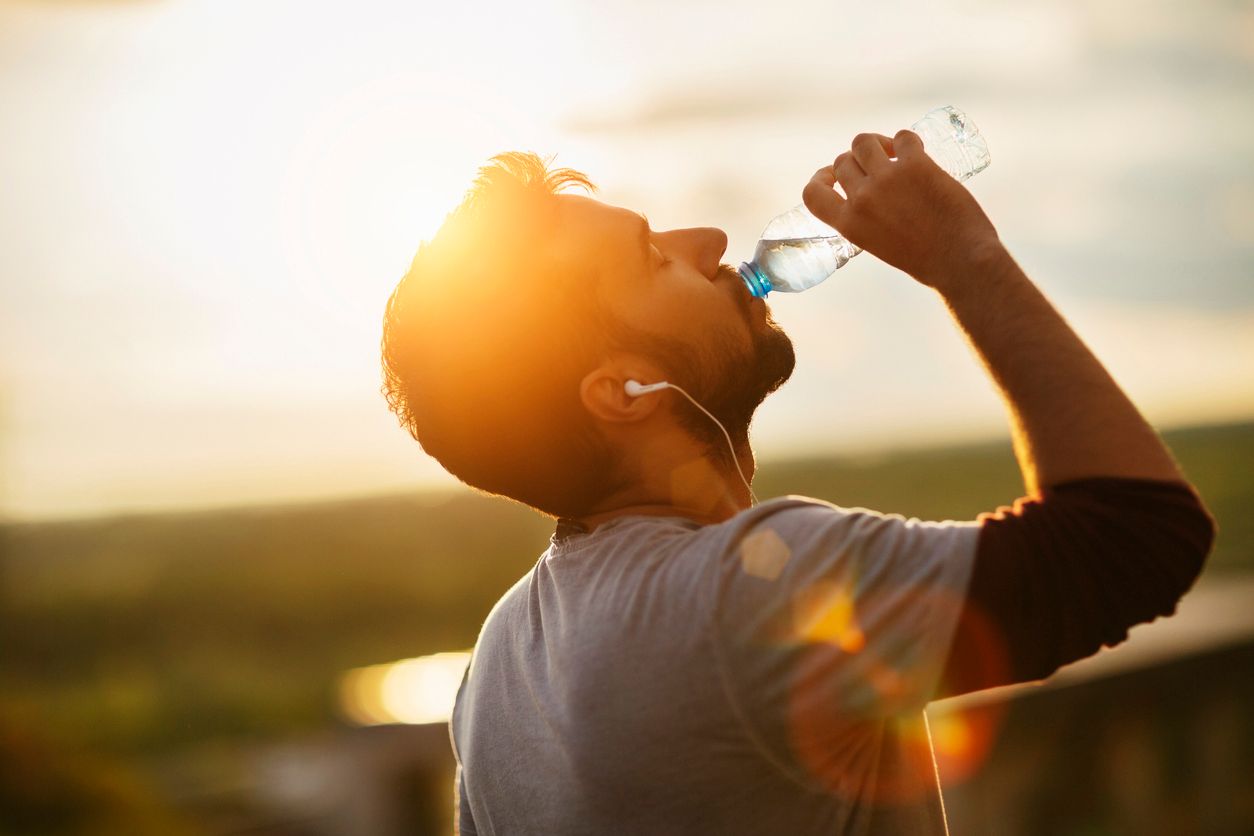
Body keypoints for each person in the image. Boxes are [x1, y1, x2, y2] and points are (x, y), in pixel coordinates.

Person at [380, 131, 1215, 835]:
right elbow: (1132, 538)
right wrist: (965, 258)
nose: (707, 239)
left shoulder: (495, 668)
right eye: (651, 256)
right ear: (620, 393)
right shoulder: (745, 591)